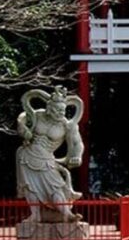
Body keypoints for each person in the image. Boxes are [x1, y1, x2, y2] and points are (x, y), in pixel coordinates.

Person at [15, 87, 84, 223]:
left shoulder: (67, 125)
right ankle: (35, 215)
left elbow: (78, 144)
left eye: (62, 110)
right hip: (27, 155)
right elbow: (22, 117)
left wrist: (77, 155)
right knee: (30, 187)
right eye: (56, 110)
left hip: (47, 159)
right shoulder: (38, 115)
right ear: (48, 108)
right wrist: (23, 129)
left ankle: (66, 214)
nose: (60, 113)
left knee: (56, 186)